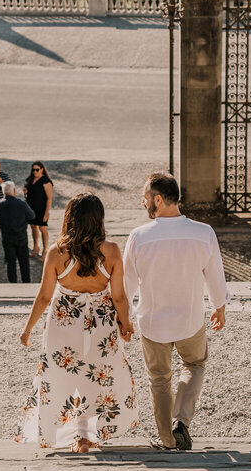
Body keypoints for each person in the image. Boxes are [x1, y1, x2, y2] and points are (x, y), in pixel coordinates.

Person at [17, 193, 138, 453]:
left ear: (70, 218)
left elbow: (44, 297)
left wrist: (28, 329)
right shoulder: (112, 251)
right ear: (99, 219)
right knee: (99, 375)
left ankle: (67, 434)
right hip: (101, 325)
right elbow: (118, 296)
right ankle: (86, 435)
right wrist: (125, 325)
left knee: (61, 376)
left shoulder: (56, 253)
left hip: (63, 324)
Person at [122, 172, 228, 451]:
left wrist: (125, 319)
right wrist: (220, 307)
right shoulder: (203, 233)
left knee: (159, 379)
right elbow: (215, 275)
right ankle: (181, 421)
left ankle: (167, 440)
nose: (143, 203)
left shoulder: (139, 237)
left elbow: (126, 284)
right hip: (190, 319)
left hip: (153, 322)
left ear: (158, 199)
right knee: (194, 365)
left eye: (145, 198)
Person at [0, 181, 37, 283]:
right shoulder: (22, 204)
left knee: (10, 263)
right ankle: (26, 283)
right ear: (14, 191)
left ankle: (13, 284)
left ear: (3, 192)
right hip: (21, 236)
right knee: (24, 263)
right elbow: (32, 216)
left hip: (7, 237)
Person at [24, 161, 54, 258]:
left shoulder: (46, 181)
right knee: (33, 227)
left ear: (42, 169)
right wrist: (25, 191)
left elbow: (49, 198)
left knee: (42, 228)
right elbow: (27, 193)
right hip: (31, 208)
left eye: (37, 170)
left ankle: (45, 251)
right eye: (33, 170)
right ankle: (36, 247)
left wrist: (46, 213)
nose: (35, 172)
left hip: (41, 209)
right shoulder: (30, 179)